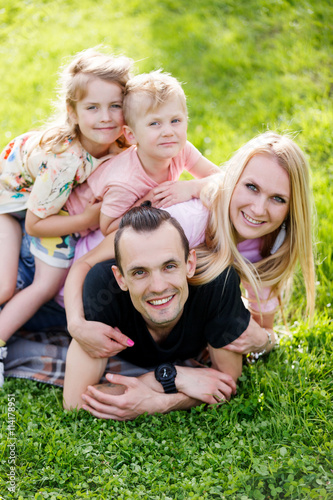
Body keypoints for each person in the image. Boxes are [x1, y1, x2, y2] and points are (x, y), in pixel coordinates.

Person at [64, 131, 315, 367]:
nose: (259, 209)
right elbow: (85, 263)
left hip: (141, 302)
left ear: (292, 209)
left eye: (278, 199)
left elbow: (261, 330)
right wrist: (75, 324)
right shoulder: (186, 220)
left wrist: (264, 341)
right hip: (68, 285)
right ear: (232, 181)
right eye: (252, 187)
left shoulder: (270, 244)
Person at [0, 47, 133, 385]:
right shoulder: (65, 160)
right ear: (73, 113)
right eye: (92, 108)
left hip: (44, 203)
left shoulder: (119, 142)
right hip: (12, 204)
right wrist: (87, 219)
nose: (106, 117)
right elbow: (35, 223)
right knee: (28, 285)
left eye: (115, 106)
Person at [63, 204, 267, 418]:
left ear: (190, 264)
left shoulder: (218, 284)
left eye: (169, 266)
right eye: (140, 272)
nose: (158, 286)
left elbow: (226, 383)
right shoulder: (103, 288)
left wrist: (161, 402)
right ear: (120, 278)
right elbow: (76, 403)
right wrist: (169, 377)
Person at [64, 69, 221, 239]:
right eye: (154, 123)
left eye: (175, 121)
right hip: (68, 227)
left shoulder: (181, 149)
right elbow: (108, 228)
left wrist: (192, 187)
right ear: (131, 135)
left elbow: (222, 178)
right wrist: (146, 203)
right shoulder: (125, 181)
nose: (168, 132)